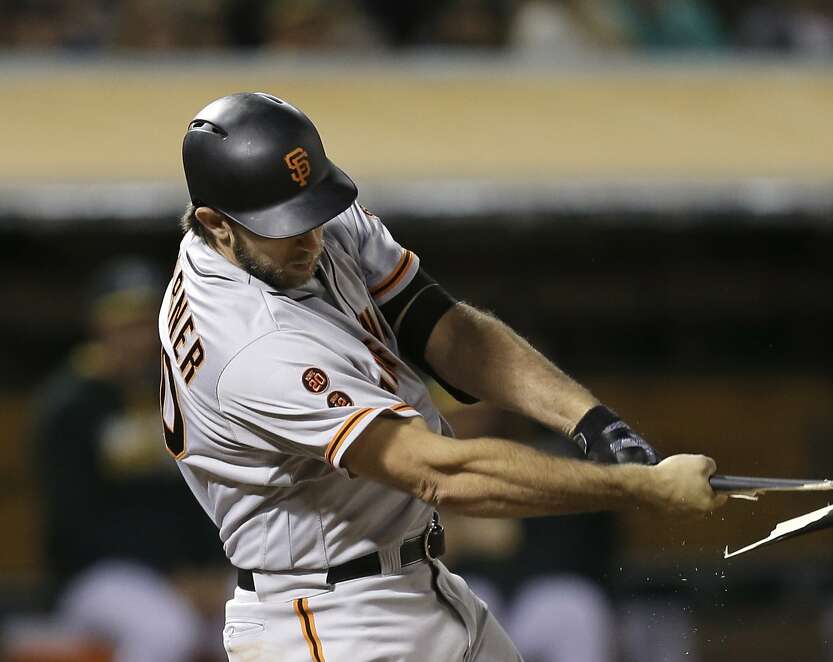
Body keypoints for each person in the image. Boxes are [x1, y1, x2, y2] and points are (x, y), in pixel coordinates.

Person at [161, 91, 726, 660]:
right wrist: (641, 488)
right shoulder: (247, 343)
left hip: (417, 581)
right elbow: (440, 474)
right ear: (216, 224)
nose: (313, 239)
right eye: (288, 227)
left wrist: (596, 425)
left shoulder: (293, 218)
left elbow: (441, 326)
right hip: (330, 618)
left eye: (314, 213)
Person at [34, 257, 228, 662]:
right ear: (99, 326)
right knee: (168, 632)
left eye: (144, 322)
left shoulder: (177, 394)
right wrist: (170, 574)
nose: (137, 337)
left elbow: (199, 498)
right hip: (97, 575)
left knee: (253, 618)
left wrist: (208, 569)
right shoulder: (72, 405)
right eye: (124, 323)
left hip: (184, 573)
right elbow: (73, 525)